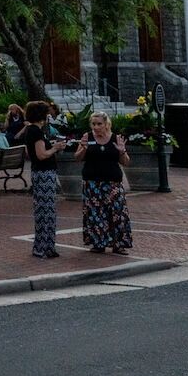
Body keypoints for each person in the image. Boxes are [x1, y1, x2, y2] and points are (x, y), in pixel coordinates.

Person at [75, 112, 133, 255]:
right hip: (92, 183)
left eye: (99, 124)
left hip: (113, 182)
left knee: (117, 213)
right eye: (93, 124)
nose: (96, 127)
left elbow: (126, 162)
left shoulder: (115, 139)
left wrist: (122, 151)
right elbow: (77, 158)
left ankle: (118, 244)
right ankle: (98, 243)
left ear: (106, 124)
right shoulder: (87, 138)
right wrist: (83, 148)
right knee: (95, 213)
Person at [16, 100, 65, 259]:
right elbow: (41, 155)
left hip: (40, 173)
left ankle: (45, 246)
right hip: (44, 173)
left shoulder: (32, 130)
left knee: (44, 210)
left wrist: (49, 145)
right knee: (46, 210)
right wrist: (55, 148)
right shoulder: (36, 131)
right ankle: (44, 246)